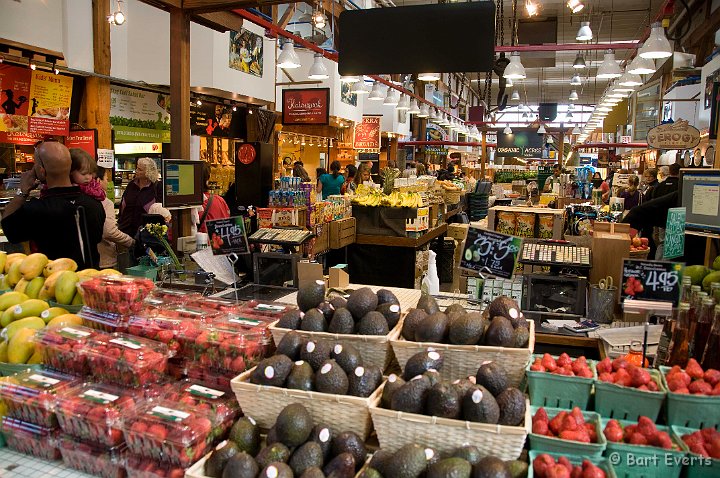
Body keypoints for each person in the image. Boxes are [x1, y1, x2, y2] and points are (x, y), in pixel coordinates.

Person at [1, 141, 104, 268]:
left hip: (53, 281)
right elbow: (97, 237)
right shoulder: (95, 204)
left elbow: (9, 228)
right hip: (90, 281)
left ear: (41, 171)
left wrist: (23, 191)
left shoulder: (36, 210)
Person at [94, 165, 135, 269]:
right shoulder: (105, 202)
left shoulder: (82, 199)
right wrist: (131, 241)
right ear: (99, 181)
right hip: (104, 260)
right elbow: (109, 231)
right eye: (106, 179)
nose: (107, 182)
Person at [118, 157, 162, 237]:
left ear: (148, 172)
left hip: (145, 235)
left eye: (140, 169)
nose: (136, 171)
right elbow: (123, 206)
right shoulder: (131, 185)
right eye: (137, 168)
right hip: (125, 231)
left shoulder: (157, 187)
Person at [197, 163, 231, 233]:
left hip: (196, 242)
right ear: (208, 178)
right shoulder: (219, 200)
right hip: (217, 242)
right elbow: (227, 224)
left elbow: (171, 235)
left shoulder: (187, 204)